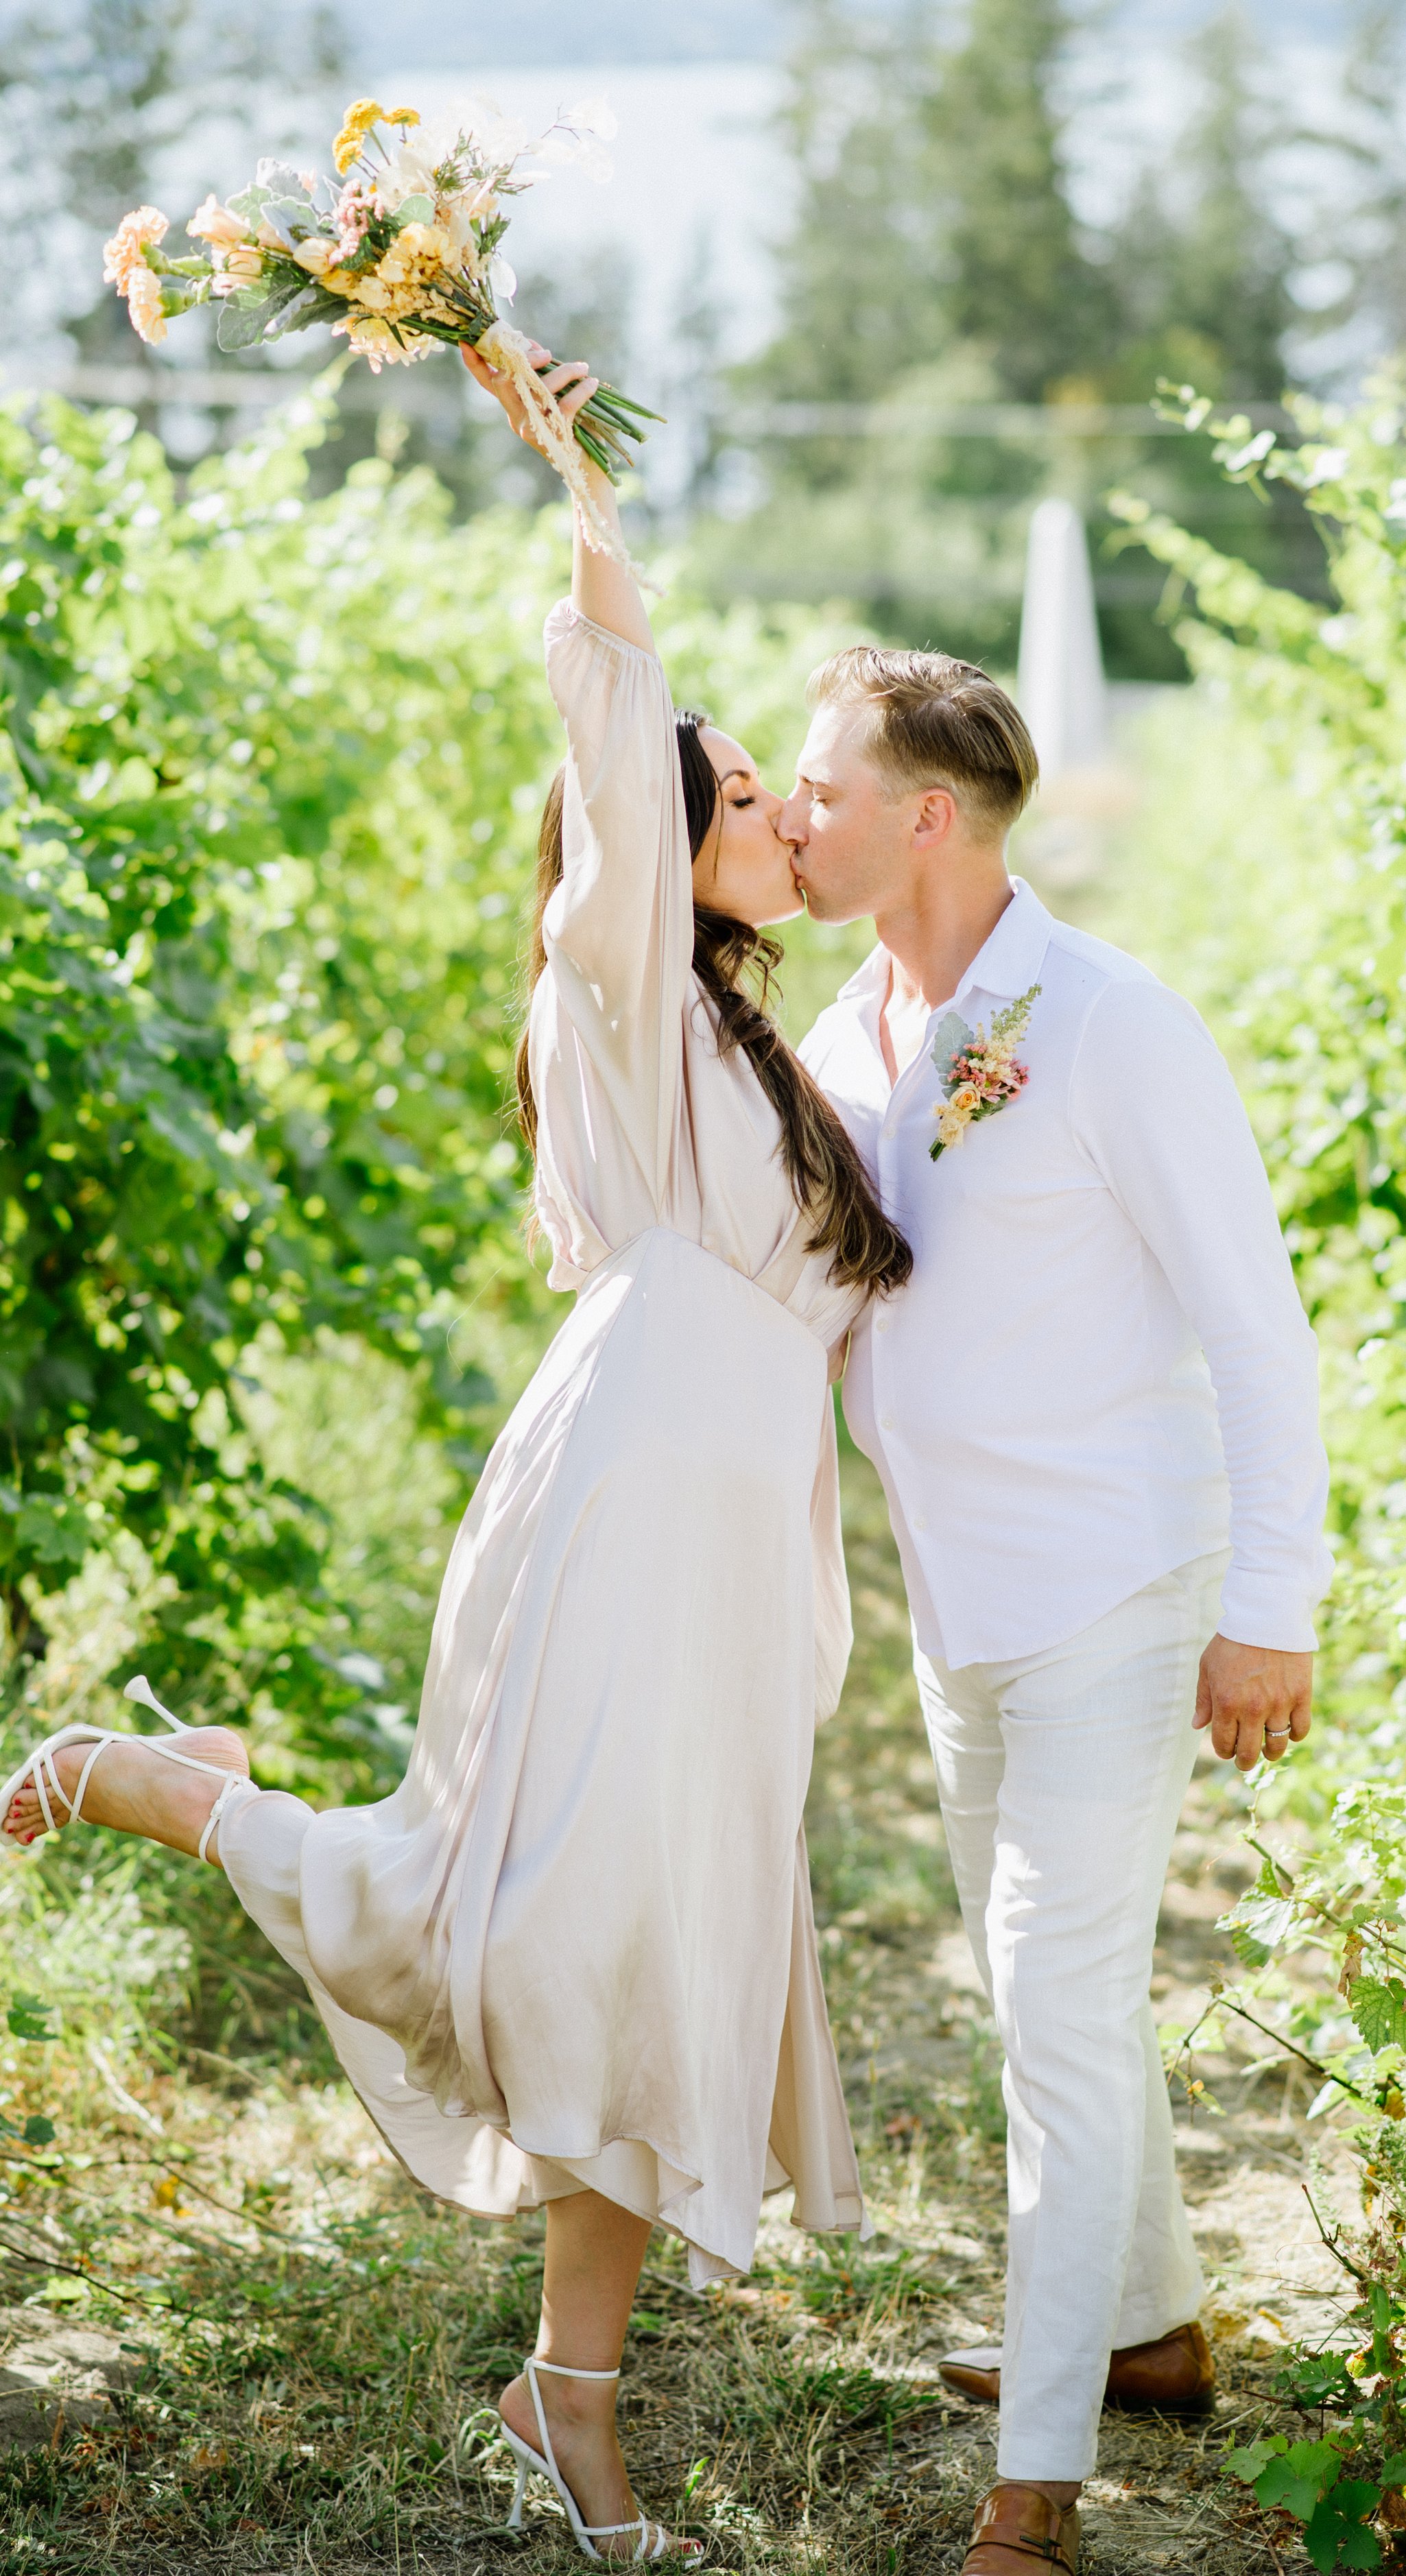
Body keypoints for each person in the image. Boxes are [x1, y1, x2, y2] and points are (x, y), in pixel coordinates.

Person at [1, 352, 911, 2568]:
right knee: (537, 1930)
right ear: (651, 842)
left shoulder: (762, 1042)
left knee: (663, 1949)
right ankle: (155, 1780)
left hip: (736, 1541)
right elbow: (614, 736)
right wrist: (577, 470)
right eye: (746, 804)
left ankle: (563, 2391)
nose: (786, 825)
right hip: (618, 1508)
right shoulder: (616, 987)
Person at [783, 646, 1331, 2576]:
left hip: (1117, 1582)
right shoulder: (844, 1034)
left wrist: (1269, 1601)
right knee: (1057, 2003)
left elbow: (1258, 1333)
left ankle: (1034, 2489)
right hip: (962, 1605)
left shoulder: (1110, 1023)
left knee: (1052, 2010)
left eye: (821, 787)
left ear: (927, 814)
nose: (791, 814)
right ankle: (1154, 2330)